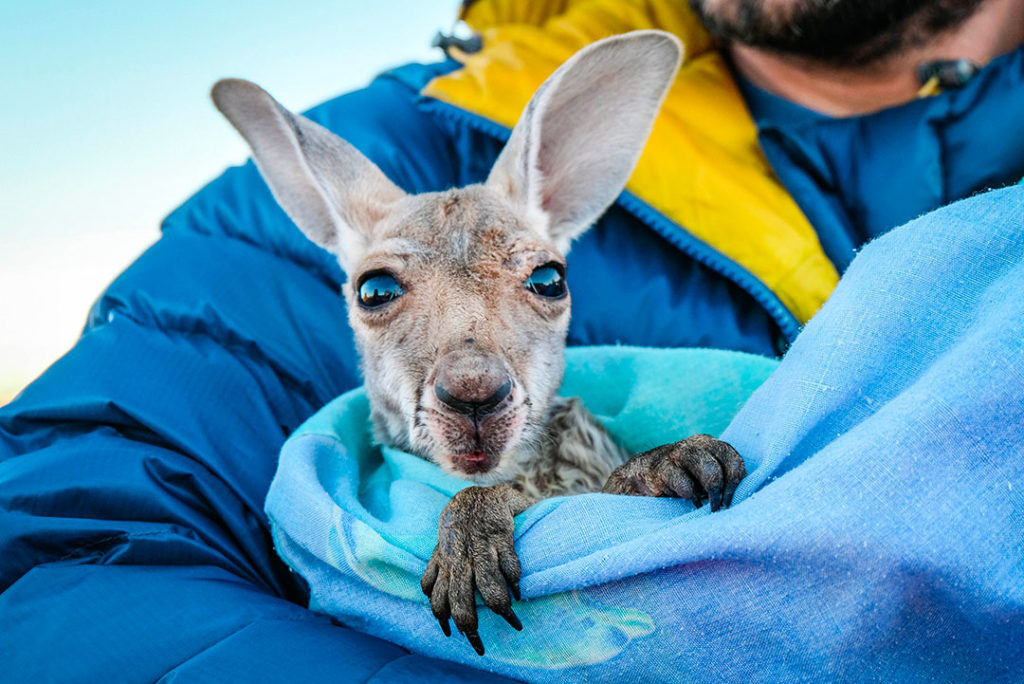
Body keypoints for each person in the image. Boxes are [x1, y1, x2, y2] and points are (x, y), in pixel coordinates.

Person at [1, 0, 1021, 680]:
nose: (472, 360)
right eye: (385, 290)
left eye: (537, 283)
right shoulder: (414, 141)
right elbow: (69, 544)